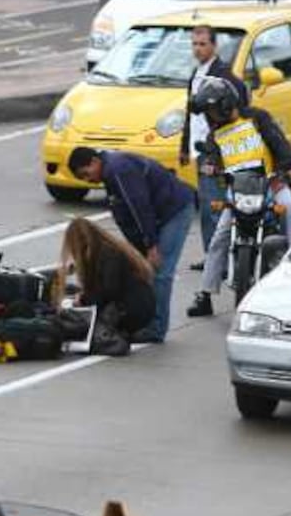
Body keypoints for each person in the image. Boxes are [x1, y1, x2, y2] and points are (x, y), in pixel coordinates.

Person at [187, 77, 291, 318]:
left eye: (212, 109)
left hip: (271, 184)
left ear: (225, 104)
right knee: (220, 237)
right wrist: (210, 166)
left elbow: (278, 142)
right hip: (237, 193)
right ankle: (205, 294)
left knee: (290, 210)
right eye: (207, 111)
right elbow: (212, 159)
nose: (210, 115)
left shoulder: (257, 118)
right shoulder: (214, 137)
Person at [68, 147, 193, 344]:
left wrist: (151, 245)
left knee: (160, 271)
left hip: (174, 211)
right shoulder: (109, 173)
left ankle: (156, 329)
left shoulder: (119, 170)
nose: (88, 180)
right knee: (143, 268)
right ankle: (145, 321)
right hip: (157, 216)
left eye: (86, 173)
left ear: (94, 161)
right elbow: (124, 215)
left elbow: (139, 207)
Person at [178, 24, 248, 271]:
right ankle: (212, 255)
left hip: (219, 153)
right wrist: (184, 147)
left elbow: (242, 108)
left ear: (214, 46)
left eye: (202, 44)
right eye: (194, 44)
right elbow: (191, 114)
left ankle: (222, 258)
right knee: (207, 207)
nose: (198, 49)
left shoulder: (225, 77)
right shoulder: (196, 75)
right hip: (200, 151)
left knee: (216, 206)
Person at [53, 217, 155, 356]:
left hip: (133, 309)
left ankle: (116, 335)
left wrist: (83, 300)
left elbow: (108, 290)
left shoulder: (109, 254)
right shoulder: (106, 248)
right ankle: (122, 331)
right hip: (139, 304)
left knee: (92, 315)